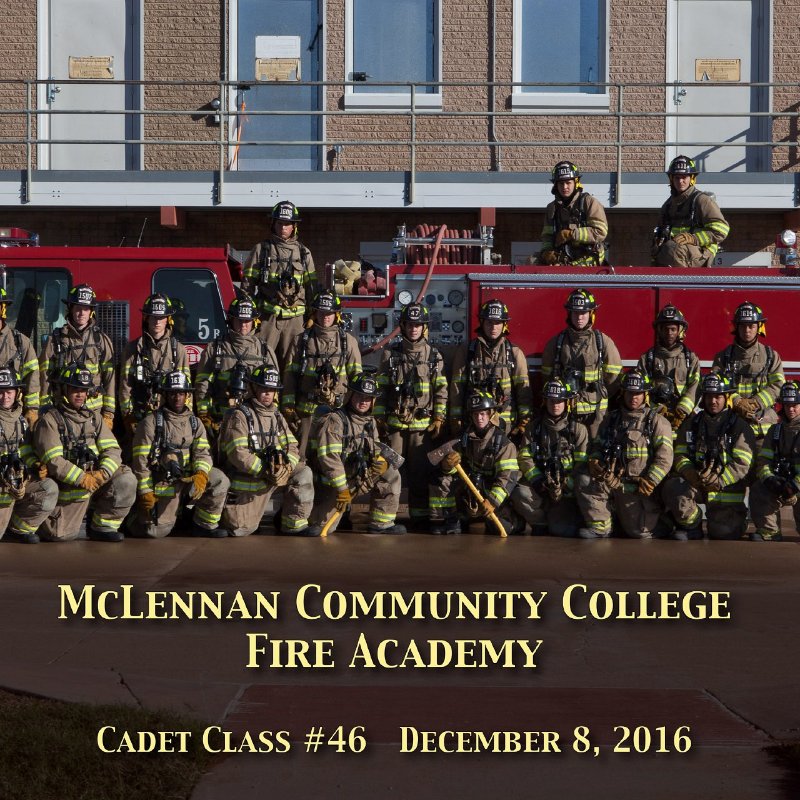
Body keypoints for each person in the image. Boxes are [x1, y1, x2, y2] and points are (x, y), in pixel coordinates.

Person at [34, 362, 136, 542]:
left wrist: (103, 473)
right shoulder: (49, 420)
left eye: (83, 390)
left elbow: (112, 449)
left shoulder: (94, 417)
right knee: (59, 535)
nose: (80, 394)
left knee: (126, 478)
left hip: (94, 480)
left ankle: (103, 526)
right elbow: (54, 460)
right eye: (75, 389)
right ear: (63, 390)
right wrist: (82, 478)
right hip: (70, 487)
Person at [217, 365, 315, 537]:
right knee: (240, 529)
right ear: (253, 388)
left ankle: (293, 524)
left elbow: (292, 446)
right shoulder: (240, 415)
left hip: (274, 476)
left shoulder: (276, 415)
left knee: (303, 472)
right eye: (263, 388)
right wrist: (264, 469)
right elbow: (238, 453)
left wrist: (286, 468)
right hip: (250, 481)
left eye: (272, 389)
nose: (268, 393)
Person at [130, 371, 229, 538]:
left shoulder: (195, 422)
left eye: (181, 393)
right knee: (156, 532)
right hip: (163, 479)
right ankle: (131, 518)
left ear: (187, 395)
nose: (177, 398)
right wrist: (145, 492)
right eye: (172, 393)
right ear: (165, 395)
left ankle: (203, 525)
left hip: (188, 477)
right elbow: (140, 461)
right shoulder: (150, 423)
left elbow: (203, 452)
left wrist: (201, 473)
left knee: (219, 480)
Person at [576, 370, 673, 539]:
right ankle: (601, 527)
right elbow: (598, 445)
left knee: (638, 533)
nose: (633, 397)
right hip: (611, 481)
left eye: (637, 393)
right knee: (585, 479)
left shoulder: (657, 422)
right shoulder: (610, 419)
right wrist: (595, 459)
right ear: (623, 393)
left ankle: (663, 522)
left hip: (637, 488)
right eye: (629, 392)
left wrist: (651, 480)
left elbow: (664, 458)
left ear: (645, 395)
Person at [374, 302, 447, 528]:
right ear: (403, 326)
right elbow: (381, 389)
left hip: (421, 429)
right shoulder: (390, 354)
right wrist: (379, 419)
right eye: (410, 325)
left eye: (418, 325)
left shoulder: (434, 356)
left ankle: (420, 518)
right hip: (395, 428)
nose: (414, 329)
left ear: (424, 328)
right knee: (388, 472)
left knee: (420, 475)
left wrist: (439, 418)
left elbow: (441, 390)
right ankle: (384, 518)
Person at [661, 372, 756, 540]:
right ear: (703, 398)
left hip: (726, 487)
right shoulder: (691, 424)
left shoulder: (740, 426)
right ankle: (692, 525)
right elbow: (680, 455)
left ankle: (738, 522)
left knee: (722, 534)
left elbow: (742, 463)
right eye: (709, 396)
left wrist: (720, 480)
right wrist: (690, 472)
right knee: (673, 487)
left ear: (726, 398)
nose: (713, 401)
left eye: (718, 396)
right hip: (698, 482)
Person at [309, 373, 404, 535]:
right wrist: (342, 489)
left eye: (368, 398)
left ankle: (381, 524)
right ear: (350, 395)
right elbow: (330, 459)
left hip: (357, 478)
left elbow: (375, 448)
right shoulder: (335, 420)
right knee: (323, 528)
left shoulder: (370, 422)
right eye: (359, 395)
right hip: (333, 484)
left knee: (391, 474)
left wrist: (380, 463)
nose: (363, 401)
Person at [282, 290, 362, 459]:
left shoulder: (348, 342)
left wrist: (352, 409)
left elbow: (357, 379)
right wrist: (288, 406)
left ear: (336, 315)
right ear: (315, 313)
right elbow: (289, 376)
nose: (325, 317)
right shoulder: (300, 341)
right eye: (321, 312)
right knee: (302, 457)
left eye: (329, 313)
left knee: (334, 457)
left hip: (337, 412)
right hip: (306, 412)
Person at [428, 392, 520, 535]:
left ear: (490, 414)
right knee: (441, 478)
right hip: (471, 487)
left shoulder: (504, 444)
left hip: (492, 491)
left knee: (501, 528)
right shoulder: (464, 438)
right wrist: (447, 465)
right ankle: (448, 520)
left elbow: (507, 477)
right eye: (475, 414)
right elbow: (453, 469)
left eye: (483, 413)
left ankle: (513, 520)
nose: (479, 418)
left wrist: (493, 502)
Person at [241, 200, 318, 370]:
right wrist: (249, 315)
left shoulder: (304, 253)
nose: (283, 228)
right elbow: (247, 286)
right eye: (280, 223)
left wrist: (313, 316)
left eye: (287, 224)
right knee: (260, 360)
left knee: (293, 364)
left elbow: (311, 288)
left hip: (295, 321)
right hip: (268, 318)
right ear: (273, 224)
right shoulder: (261, 250)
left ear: (294, 226)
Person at [510, 378, 589, 537]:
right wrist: (538, 480)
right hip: (541, 485)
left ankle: (560, 518)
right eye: (551, 400)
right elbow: (524, 457)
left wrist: (566, 484)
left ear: (567, 403)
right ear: (545, 401)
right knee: (518, 492)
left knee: (560, 530)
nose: (555, 405)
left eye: (559, 401)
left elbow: (582, 465)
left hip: (567, 490)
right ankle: (539, 522)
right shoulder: (533, 428)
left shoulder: (578, 430)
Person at [541, 288, 622, 438]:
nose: (579, 317)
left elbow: (615, 378)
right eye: (575, 313)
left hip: (595, 415)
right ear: (569, 314)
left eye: (583, 313)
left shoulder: (602, 342)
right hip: (565, 414)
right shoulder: (556, 343)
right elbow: (546, 378)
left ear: (591, 314)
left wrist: (599, 393)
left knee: (595, 448)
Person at [195, 294, 279, 435]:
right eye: (239, 320)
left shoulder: (264, 351)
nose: (243, 325)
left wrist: (270, 416)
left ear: (254, 321)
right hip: (220, 419)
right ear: (231, 320)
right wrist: (204, 413)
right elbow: (202, 383)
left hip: (254, 421)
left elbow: (274, 388)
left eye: (247, 320)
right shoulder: (215, 348)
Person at [449, 299, 531, 438]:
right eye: (489, 322)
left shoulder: (514, 353)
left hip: (505, 426)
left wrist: (525, 421)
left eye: (497, 323)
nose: (493, 327)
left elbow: (523, 389)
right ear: (482, 323)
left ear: (504, 325)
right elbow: (457, 388)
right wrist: (455, 419)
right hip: (474, 423)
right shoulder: (467, 351)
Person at [39, 284, 115, 426]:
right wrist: (44, 407)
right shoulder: (55, 339)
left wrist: (109, 413)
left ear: (91, 312)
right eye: (78, 308)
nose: (81, 313)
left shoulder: (101, 340)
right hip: (62, 410)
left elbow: (109, 378)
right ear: (71, 309)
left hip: (93, 411)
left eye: (85, 309)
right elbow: (44, 377)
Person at [0, 367, 58, 544]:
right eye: (0, 392)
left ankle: (17, 530)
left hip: (13, 482)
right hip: (2, 485)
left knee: (47, 488)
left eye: (9, 392)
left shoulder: (21, 420)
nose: (5, 397)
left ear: (17, 393)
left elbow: (24, 451)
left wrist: (34, 465)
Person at [119, 293, 190, 435]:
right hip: (140, 415)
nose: (157, 322)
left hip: (170, 417)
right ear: (146, 318)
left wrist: (184, 416)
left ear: (168, 319)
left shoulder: (178, 350)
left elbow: (186, 389)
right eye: (153, 317)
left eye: (161, 317)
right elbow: (125, 385)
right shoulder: (133, 349)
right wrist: (128, 416)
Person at [712, 301, 784, 440]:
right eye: (743, 326)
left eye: (751, 326)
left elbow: (778, 386)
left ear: (759, 327)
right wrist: (737, 402)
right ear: (736, 327)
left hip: (764, 430)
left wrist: (755, 403)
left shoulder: (771, 356)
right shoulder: (723, 358)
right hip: (732, 429)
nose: (747, 330)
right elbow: (714, 388)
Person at [652, 155, 730, 267]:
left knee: (673, 249)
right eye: (677, 177)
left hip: (701, 252)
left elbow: (722, 229)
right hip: (676, 252)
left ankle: (683, 278)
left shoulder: (702, 201)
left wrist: (694, 238)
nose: (681, 181)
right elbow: (659, 235)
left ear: (692, 179)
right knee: (660, 251)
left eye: (684, 177)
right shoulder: (668, 205)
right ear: (671, 179)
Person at [749, 381, 800, 542]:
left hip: (797, 484)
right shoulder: (775, 430)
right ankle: (769, 531)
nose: (790, 409)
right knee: (759, 488)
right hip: (781, 482)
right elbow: (763, 460)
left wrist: (794, 486)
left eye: (795, 405)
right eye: (787, 405)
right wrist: (770, 479)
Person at [637, 304, 700, 429]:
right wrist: (658, 409)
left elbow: (695, 386)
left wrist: (681, 411)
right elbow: (641, 390)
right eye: (665, 329)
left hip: (683, 419)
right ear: (659, 330)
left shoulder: (690, 358)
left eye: (673, 329)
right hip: (654, 417)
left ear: (680, 331)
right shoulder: (647, 358)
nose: (669, 333)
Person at [538, 160, 608, 267]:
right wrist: (547, 252)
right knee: (532, 261)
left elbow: (600, 232)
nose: (564, 187)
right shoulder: (552, 208)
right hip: (563, 261)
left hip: (589, 263)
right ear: (555, 185)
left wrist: (571, 234)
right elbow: (547, 237)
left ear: (576, 183)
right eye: (561, 183)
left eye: (568, 183)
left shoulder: (589, 203)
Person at [0, 288, 40, 428]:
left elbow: (32, 378)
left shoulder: (21, 342)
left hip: (14, 416)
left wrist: (32, 410)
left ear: (3, 309)